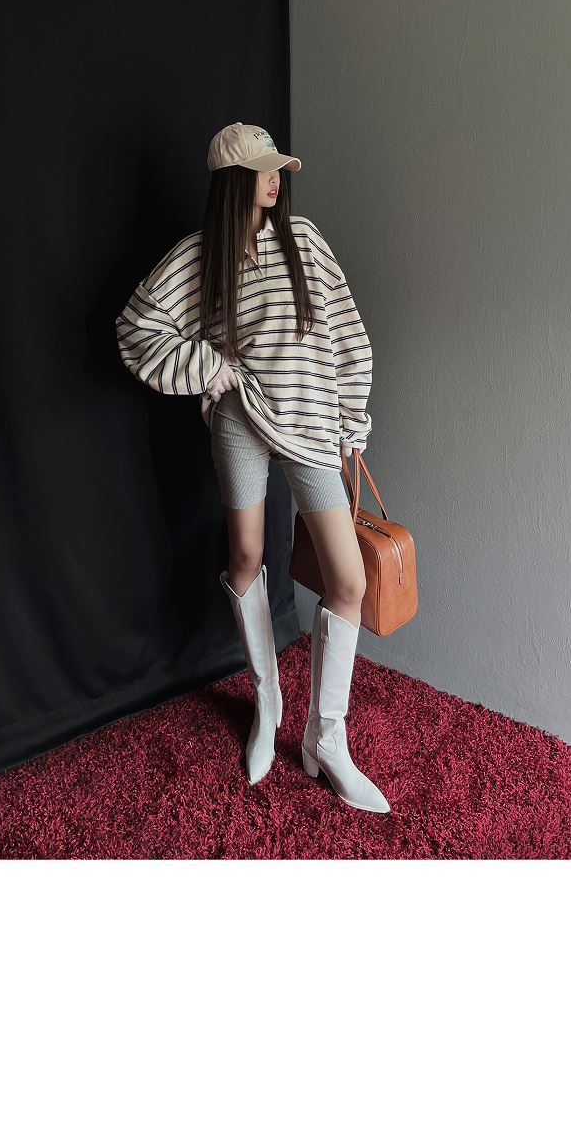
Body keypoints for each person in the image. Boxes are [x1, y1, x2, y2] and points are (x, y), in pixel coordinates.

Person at [116, 122, 390, 815]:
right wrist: (211, 368)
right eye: (263, 170)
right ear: (233, 181)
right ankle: (268, 706)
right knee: (244, 557)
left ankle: (327, 738)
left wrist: (351, 420)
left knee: (348, 580)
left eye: (278, 169)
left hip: (311, 422)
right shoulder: (199, 255)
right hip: (241, 421)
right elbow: (138, 328)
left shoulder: (305, 241)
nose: (275, 180)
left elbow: (349, 333)